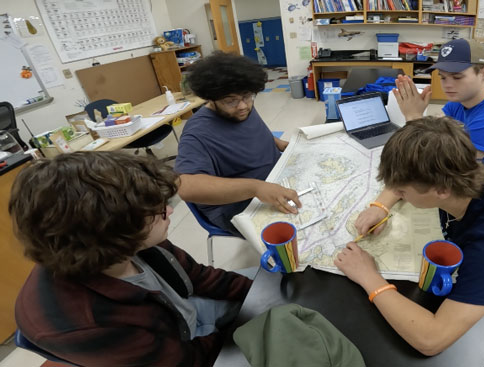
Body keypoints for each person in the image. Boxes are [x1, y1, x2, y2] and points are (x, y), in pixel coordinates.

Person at [10, 152, 253, 367]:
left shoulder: (125, 240)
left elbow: (198, 275)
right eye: (157, 211)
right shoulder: (85, 322)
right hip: (175, 346)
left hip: (177, 315)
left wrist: (256, 293)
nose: (169, 212)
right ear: (111, 234)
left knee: (273, 290)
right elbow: (187, 361)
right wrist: (245, 334)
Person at [335, 116, 484, 356]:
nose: (398, 193)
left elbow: (431, 340)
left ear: (441, 190)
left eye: (403, 192)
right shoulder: (463, 169)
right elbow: (408, 175)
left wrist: (369, 277)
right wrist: (380, 206)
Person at [393, 38, 484, 204]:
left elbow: (438, 166)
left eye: (457, 77)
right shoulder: (460, 101)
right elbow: (437, 139)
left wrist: (413, 117)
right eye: (443, 77)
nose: (447, 85)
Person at [175, 52, 301, 235]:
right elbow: (186, 186)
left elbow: (251, 134)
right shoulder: (197, 132)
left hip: (273, 179)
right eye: (230, 101)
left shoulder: (240, 106)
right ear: (211, 99)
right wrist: (256, 187)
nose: (242, 106)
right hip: (235, 205)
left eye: (247, 96)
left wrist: (279, 143)